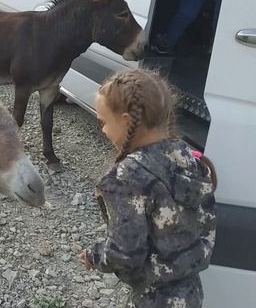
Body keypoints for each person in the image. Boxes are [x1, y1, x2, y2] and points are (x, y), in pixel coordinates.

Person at [78, 69, 217, 308]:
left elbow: (126, 254)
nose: (102, 130)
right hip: (191, 293)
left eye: (103, 122)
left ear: (126, 120)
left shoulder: (128, 176)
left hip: (153, 299)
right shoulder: (187, 157)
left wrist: (96, 255)